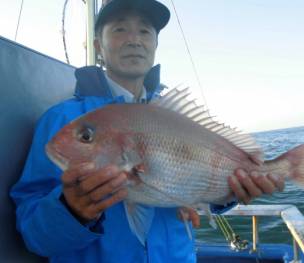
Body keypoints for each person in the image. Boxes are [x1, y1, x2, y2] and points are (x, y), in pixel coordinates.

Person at [10, 0, 284, 262]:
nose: (134, 39)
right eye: (120, 29)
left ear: (155, 45)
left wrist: (231, 194)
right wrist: (71, 211)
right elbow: (32, 235)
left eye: (145, 31)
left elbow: (196, 188)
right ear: (98, 45)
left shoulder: (173, 117)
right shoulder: (61, 119)